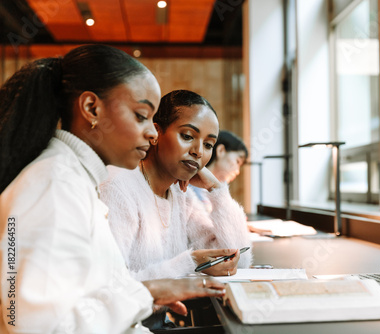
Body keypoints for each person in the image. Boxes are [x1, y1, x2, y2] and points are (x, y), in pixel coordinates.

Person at [0, 45, 225, 334]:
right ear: (92, 108)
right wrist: (149, 292)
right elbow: (38, 327)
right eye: (141, 115)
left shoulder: (75, 180)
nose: (153, 133)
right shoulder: (55, 186)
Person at [100, 90, 252, 281]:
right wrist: (190, 262)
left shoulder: (180, 194)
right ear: (155, 133)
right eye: (188, 136)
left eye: (208, 145)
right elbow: (110, 283)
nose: (198, 152)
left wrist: (216, 188)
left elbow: (239, 259)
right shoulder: (118, 187)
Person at [191, 130, 248, 213]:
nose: (238, 171)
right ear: (221, 150)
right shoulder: (189, 186)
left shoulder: (214, 191)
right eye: (237, 161)